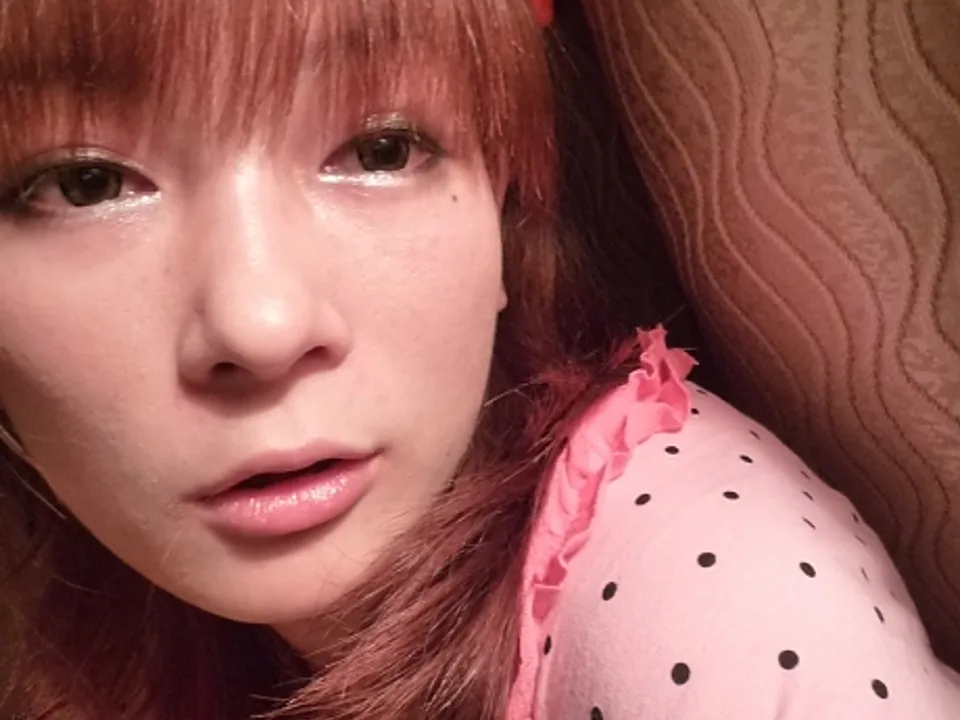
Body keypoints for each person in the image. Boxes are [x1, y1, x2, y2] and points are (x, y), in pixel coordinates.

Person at [0, 1, 957, 718]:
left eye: (382, 150)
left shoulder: (728, 612)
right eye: (84, 184)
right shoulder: (85, 598)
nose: (262, 325)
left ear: (503, 216)